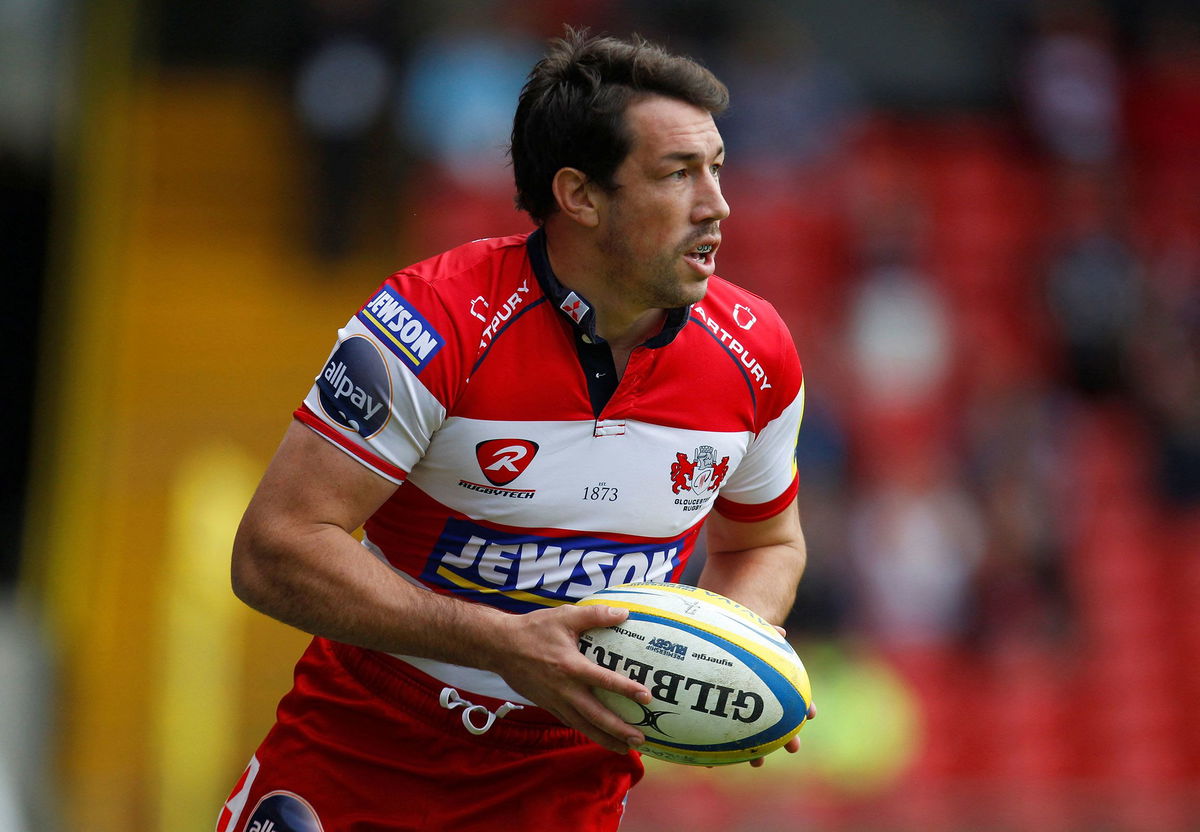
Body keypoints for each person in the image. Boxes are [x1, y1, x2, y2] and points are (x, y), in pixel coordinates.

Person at [216, 28, 810, 832]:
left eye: (717, 168)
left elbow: (765, 545)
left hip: (569, 783)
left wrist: (720, 665)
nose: (717, 204)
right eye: (678, 174)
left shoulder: (757, 352)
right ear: (581, 195)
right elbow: (273, 549)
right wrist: (502, 643)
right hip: (365, 755)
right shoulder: (431, 324)